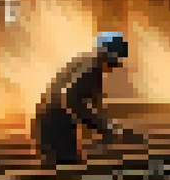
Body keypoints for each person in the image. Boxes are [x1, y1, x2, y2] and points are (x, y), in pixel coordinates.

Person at [33, 33, 134, 168]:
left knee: (62, 166)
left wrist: (107, 126)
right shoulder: (91, 70)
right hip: (54, 122)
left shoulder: (88, 65)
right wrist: (104, 127)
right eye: (117, 59)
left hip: (49, 119)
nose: (115, 66)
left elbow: (93, 106)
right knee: (68, 167)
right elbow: (71, 100)